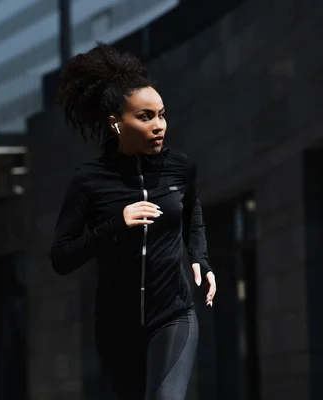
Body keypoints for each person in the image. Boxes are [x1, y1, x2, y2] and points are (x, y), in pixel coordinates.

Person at [49, 43, 217, 400]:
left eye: (162, 115)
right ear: (116, 124)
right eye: (145, 117)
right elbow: (61, 257)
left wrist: (200, 258)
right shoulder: (89, 181)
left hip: (173, 316)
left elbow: (192, 212)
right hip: (116, 329)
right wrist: (114, 227)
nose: (159, 126)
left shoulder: (180, 167)